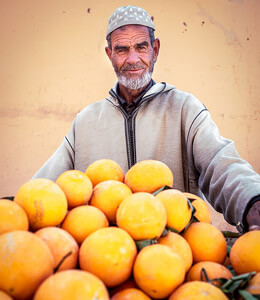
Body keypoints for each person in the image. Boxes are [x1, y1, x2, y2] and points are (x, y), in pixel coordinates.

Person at [32, 5, 260, 233]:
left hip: (175, 253)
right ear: (109, 55)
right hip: (104, 255)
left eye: (141, 47)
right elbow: (45, 187)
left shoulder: (184, 109)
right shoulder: (85, 122)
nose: (133, 59)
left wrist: (252, 202)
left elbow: (222, 164)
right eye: (121, 50)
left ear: (155, 49)